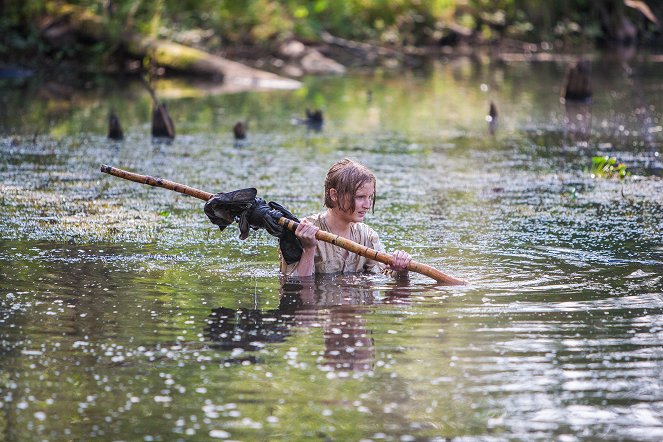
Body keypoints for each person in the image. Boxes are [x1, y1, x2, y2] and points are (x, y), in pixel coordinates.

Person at [280, 158, 411, 278]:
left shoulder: (367, 236)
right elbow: (295, 286)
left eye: (370, 197)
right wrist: (309, 248)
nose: (367, 205)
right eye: (360, 197)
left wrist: (401, 271)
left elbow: (382, 277)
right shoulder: (302, 231)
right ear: (334, 195)